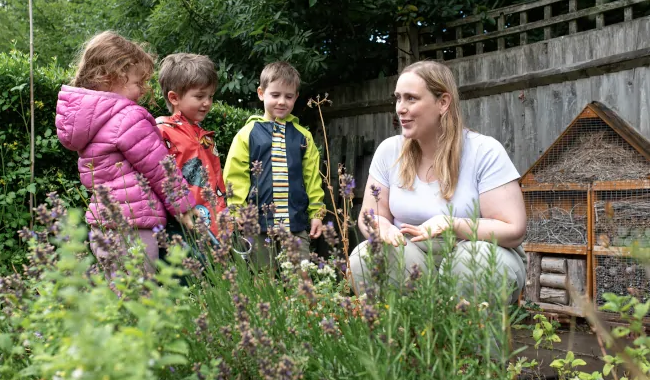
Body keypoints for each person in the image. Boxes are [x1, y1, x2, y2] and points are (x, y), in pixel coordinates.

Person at [349, 60, 527, 304]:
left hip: (477, 250)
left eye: (411, 98)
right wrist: (382, 227)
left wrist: (450, 224)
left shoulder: (484, 151)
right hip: (413, 252)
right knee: (368, 255)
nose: (400, 108)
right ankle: (403, 338)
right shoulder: (389, 151)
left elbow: (513, 229)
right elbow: (371, 214)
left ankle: (473, 340)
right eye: (398, 98)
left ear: (443, 102)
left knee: (471, 264)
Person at [55, 31, 195, 275]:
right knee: (140, 297)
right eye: (137, 82)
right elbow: (159, 169)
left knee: (115, 298)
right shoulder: (127, 117)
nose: (142, 91)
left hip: (102, 224)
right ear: (110, 77)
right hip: (134, 225)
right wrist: (184, 207)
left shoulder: (87, 121)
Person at [223, 61, 325, 269]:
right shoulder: (247, 134)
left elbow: (313, 179)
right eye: (275, 95)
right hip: (257, 225)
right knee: (263, 281)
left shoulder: (303, 136)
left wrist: (316, 214)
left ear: (296, 98)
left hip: (295, 224)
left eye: (288, 97)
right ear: (261, 93)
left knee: (300, 278)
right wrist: (237, 210)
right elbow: (236, 176)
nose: (282, 102)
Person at [156, 53, 226, 240]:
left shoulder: (205, 137)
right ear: (174, 97)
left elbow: (217, 182)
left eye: (210, 96)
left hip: (216, 226)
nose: (207, 103)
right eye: (200, 96)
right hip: (183, 228)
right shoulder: (162, 132)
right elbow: (161, 179)